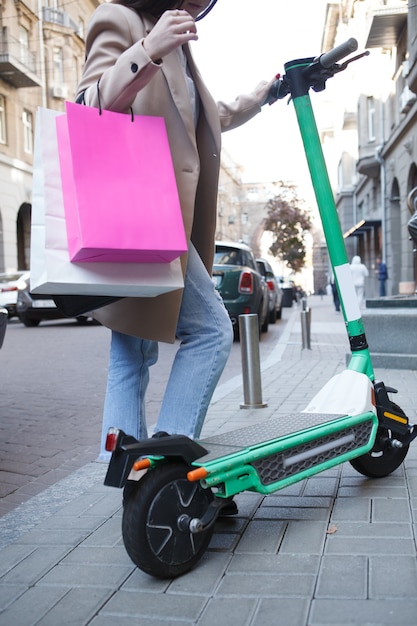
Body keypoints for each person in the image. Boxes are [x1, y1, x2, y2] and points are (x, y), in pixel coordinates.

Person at [76, 0, 279, 463]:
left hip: (159, 216)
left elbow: (207, 118)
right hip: (143, 213)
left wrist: (262, 95)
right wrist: (147, 49)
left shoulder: (181, 47)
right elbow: (87, 105)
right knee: (211, 329)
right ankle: (169, 470)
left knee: (132, 351)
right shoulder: (120, 19)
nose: (196, 4)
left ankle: (128, 471)